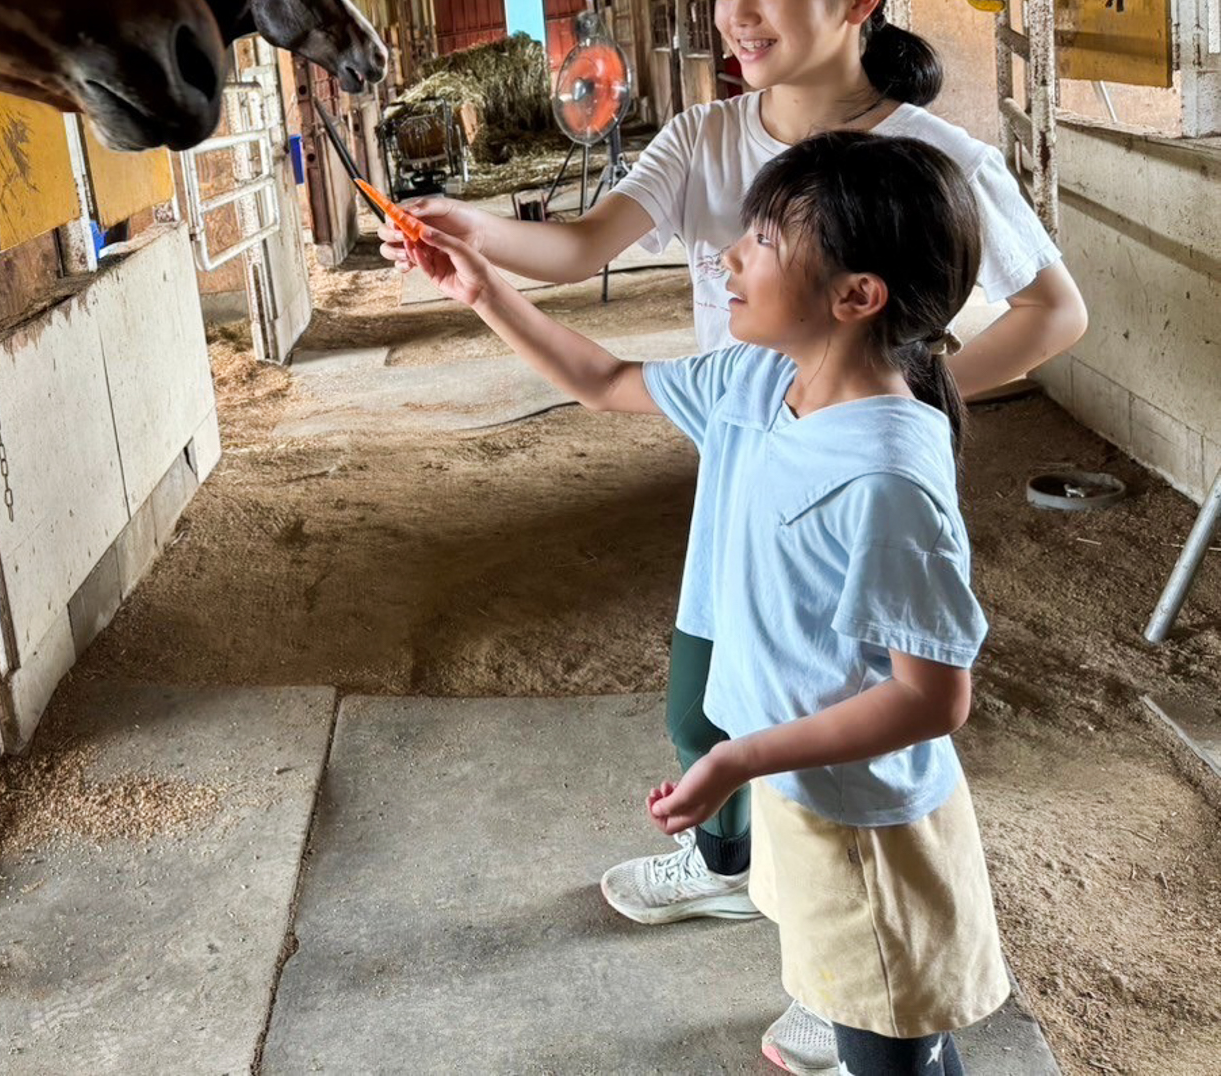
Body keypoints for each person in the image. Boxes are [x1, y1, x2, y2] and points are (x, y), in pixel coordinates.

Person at [381, 0, 1084, 1070]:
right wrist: (463, 237)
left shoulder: (926, 166)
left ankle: (848, 983)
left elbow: (1051, 311)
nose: (735, 15)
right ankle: (766, 895)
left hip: (824, 450)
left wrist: (908, 402)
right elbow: (586, 282)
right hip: (749, 452)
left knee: (824, 720)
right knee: (710, 701)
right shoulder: (715, 162)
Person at [409, 131, 1010, 1076]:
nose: (729, 255)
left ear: (856, 297)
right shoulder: (761, 381)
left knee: (893, 1049)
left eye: (764, 241)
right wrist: (483, 288)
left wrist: (737, 757)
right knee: (865, 1030)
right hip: (804, 794)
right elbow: (605, 383)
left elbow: (935, 699)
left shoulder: (887, 477)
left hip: (868, 827)